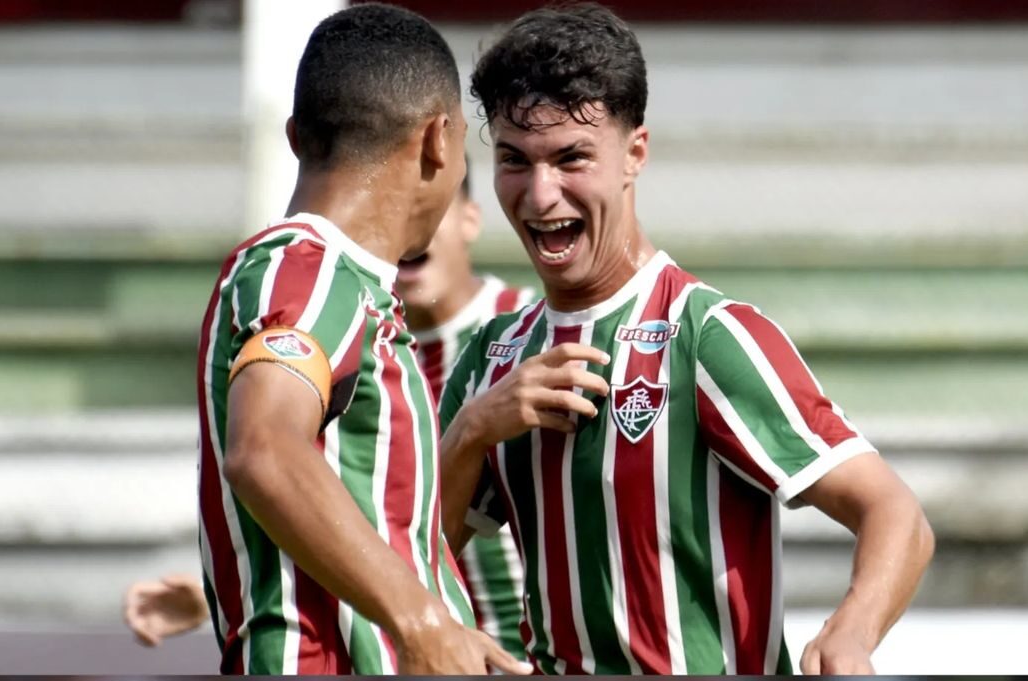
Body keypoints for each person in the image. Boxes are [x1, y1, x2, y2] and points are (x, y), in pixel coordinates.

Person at [438, 3, 934, 675]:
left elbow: (894, 513)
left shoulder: (708, 335)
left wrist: (850, 631)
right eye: (513, 161)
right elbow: (414, 559)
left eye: (570, 158)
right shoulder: (493, 357)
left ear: (633, 153)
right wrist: (471, 430)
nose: (539, 194)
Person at [193, 3, 529, 675]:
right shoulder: (309, 271)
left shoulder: (333, 282)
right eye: (468, 140)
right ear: (439, 141)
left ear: (295, 135)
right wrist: (422, 619)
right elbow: (263, 447)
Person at [125, 171, 535, 662]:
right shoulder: (341, 317)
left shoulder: (525, 338)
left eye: (428, 200)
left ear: (469, 218)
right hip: (404, 641)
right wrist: (226, 579)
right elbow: (347, 505)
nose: (405, 213)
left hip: (500, 654)